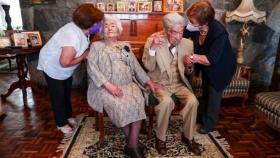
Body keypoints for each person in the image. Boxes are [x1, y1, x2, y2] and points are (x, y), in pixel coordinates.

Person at [87, 15, 160, 158]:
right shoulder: (96, 46)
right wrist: (109, 86)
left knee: (137, 101)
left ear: (118, 29)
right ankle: (133, 144)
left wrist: (149, 82)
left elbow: (136, 67)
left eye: (112, 25)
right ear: (102, 30)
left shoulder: (125, 45)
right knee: (119, 105)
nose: (109, 28)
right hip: (104, 87)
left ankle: (131, 143)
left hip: (128, 84)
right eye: (106, 26)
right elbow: (91, 68)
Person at [37, 4, 104, 134]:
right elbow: (64, 62)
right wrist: (84, 56)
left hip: (64, 68)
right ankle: (60, 123)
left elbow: (87, 40)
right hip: (52, 66)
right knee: (58, 95)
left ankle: (67, 116)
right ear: (89, 23)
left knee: (66, 91)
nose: (100, 24)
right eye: (98, 22)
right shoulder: (72, 36)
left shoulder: (85, 30)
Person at [142, 12, 202, 155]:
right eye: (175, 32)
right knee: (166, 102)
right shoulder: (154, 40)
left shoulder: (188, 44)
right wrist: (152, 49)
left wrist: (189, 66)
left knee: (193, 101)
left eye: (181, 32)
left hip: (179, 84)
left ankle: (188, 137)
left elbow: (189, 72)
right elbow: (148, 67)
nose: (179, 36)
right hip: (160, 84)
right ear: (167, 31)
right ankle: (160, 139)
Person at [183, 1, 236, 134]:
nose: (190, 22)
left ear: (204, 21)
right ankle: (201, 118)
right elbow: (181, 33)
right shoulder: (195, 26)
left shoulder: (219, 32)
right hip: (206, 64)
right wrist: (164, 34)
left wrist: (192, 57)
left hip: (221, 67)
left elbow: (211, 59)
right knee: (205, 91)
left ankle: (209, 124)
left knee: (213, 93)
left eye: (192, 20)